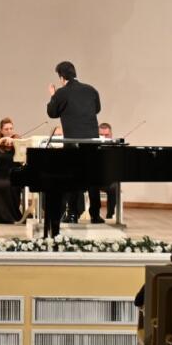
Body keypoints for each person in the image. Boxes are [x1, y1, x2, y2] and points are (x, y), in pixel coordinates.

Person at [45, 60, 103, 231]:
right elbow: (97, 109)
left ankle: (72, 214)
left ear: (62, 77)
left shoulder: (62, 93)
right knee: (93, 178)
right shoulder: (91, 90)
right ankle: (95, 215)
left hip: (72, 142)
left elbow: (52, 113)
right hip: (92, 141)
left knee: (72, 177)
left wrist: (53, 95)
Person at [0, 118, 22, 224]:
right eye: (6, 129)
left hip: (14, 175)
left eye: (11, 128)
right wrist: (1, 140)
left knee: (10, 186)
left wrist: (16, 143)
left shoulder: (18, 142)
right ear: (1, 131)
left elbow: (24, 155)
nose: (9, 131)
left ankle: (11, 216)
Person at [91, 122, 121, 221]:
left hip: (108, 180)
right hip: (93, 178)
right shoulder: (92, 147)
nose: (104, 137)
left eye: (106, 135)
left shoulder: (116, 147)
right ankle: (94, 214)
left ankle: (110, 214)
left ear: (111, 135)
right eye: (101, 135)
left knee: (114, 186)